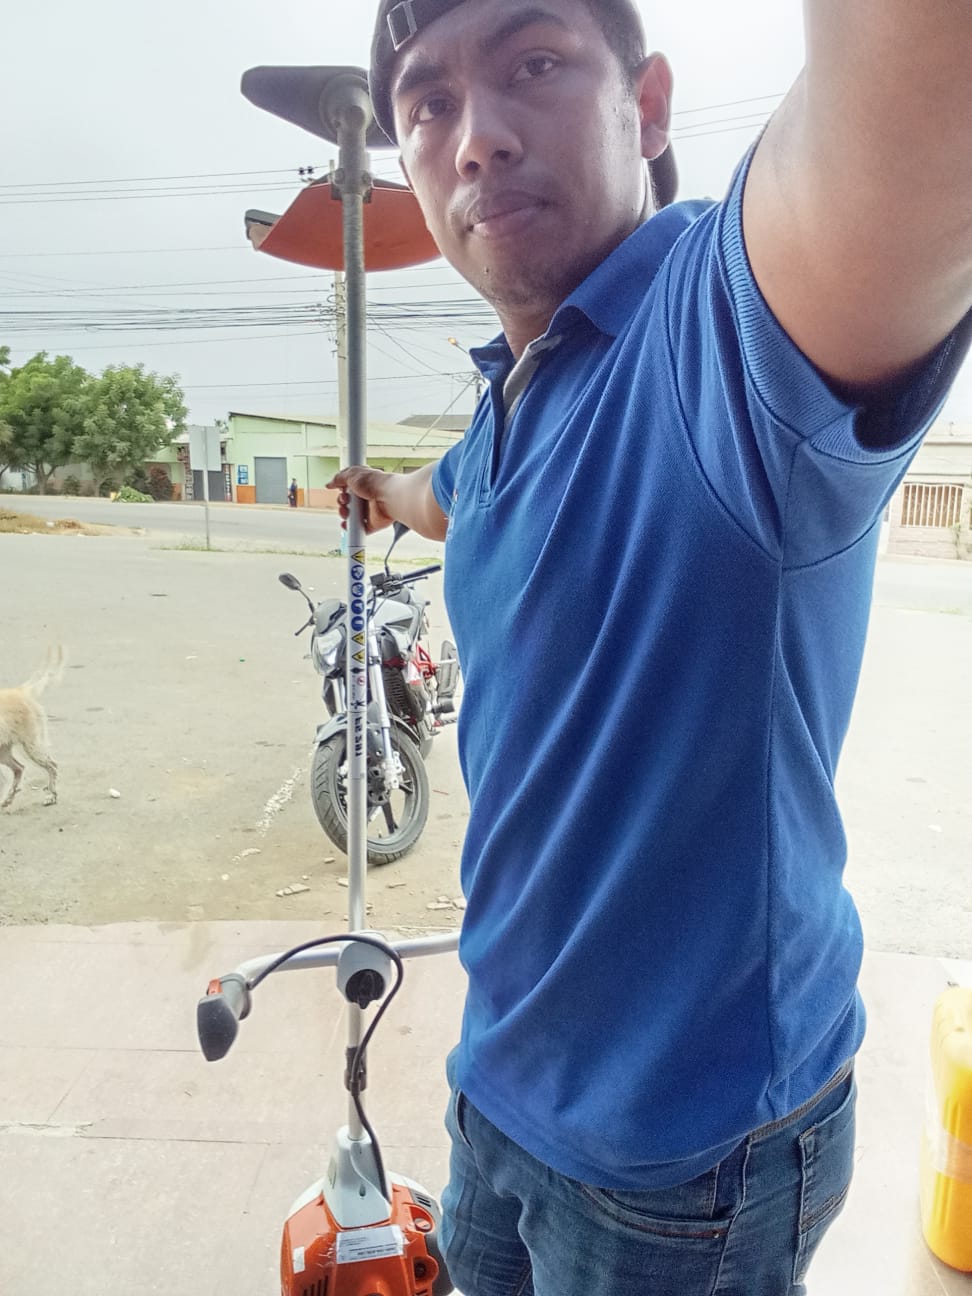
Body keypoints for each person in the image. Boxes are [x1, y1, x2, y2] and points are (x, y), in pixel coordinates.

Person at [328, 2, 972, 1292]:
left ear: (652, 106)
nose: (477, 137)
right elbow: (452, 497)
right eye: (429, 105)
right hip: (499, 1082)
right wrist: (380, 493)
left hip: (684, 1162)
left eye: (535, 63)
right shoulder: (510, 403)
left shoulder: (727, 332)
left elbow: (927, 89)